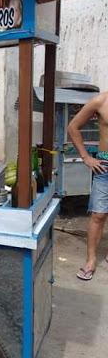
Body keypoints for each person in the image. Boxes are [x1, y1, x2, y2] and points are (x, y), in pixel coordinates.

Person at [68, 92, 108, 280]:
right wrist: (85, 157)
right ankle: (91, 260)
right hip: (105, 167)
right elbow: (73, 127)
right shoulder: (101, 101)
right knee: (98, 215)